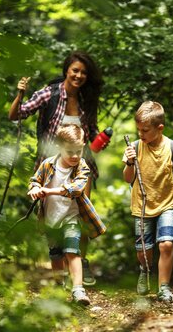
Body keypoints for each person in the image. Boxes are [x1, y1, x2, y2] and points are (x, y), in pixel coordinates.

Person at [9, 52, 103, 286]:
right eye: (75, 71)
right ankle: (59, 265)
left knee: (80, 213)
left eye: (83, 72)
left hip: (82, 166)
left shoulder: (85, 101)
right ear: (66, 71)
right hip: (51, 167)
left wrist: (99, 141)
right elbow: (16, 114)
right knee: (54, 216)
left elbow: (91, 136)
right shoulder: (48, 95)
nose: (79, 75)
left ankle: (81, 262)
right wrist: (20, 93)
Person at [122, 101, 173, 302]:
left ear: (160, 128)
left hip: (167, 204)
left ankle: (164, 288)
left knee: (166, 245)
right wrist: (130, 162)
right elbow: (128, 178)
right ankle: (144, 270)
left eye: (145, 130)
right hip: (142, 205)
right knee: (144, 251)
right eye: (138, 129)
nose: (141, 134)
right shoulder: (135, 147)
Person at [27, 124, 106, 305]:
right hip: (50, 220)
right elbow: (34, 181)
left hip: (72, 217)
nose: (75, 156)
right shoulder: (47, 164)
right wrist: (35, 189)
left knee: (73, 251)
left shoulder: (82, 167)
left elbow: (76, 189)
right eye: (69, 151)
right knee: (56, 255)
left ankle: (78, 290)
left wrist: (48, 190)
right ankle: (58, 287)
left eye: (79, 151)